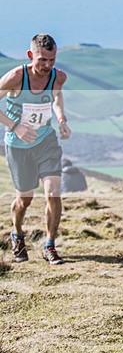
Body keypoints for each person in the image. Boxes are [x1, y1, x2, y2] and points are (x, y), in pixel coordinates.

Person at [1, 34, 71, 265]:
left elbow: (57, 97)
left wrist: (61, 118)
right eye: (42, 60)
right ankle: (17, 235)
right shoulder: (16, 76)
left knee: (53, 192)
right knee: (25, 200)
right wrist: (15, 126)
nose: (47, 65)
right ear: (31, 56)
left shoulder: (58, 76)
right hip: (19, 146)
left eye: (51, 60)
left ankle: (50, 245)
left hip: (46, 142)